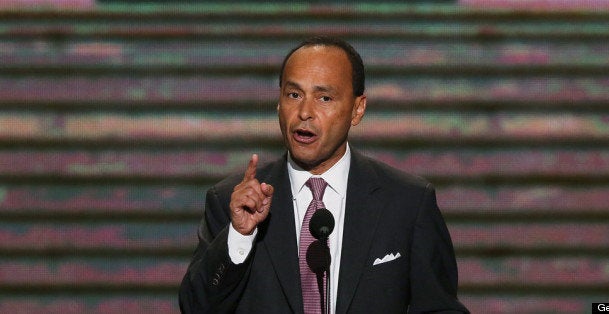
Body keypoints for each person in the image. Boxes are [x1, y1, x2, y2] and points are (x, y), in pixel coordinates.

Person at [179, 36, 469, 314]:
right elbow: (196, 308)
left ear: (357, 109)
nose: (305, 112)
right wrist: (240, 236)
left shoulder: (407, 203)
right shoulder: (232, 202)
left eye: (324, 98)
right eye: (294, 95)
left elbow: (440, 308)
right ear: (279, 103)